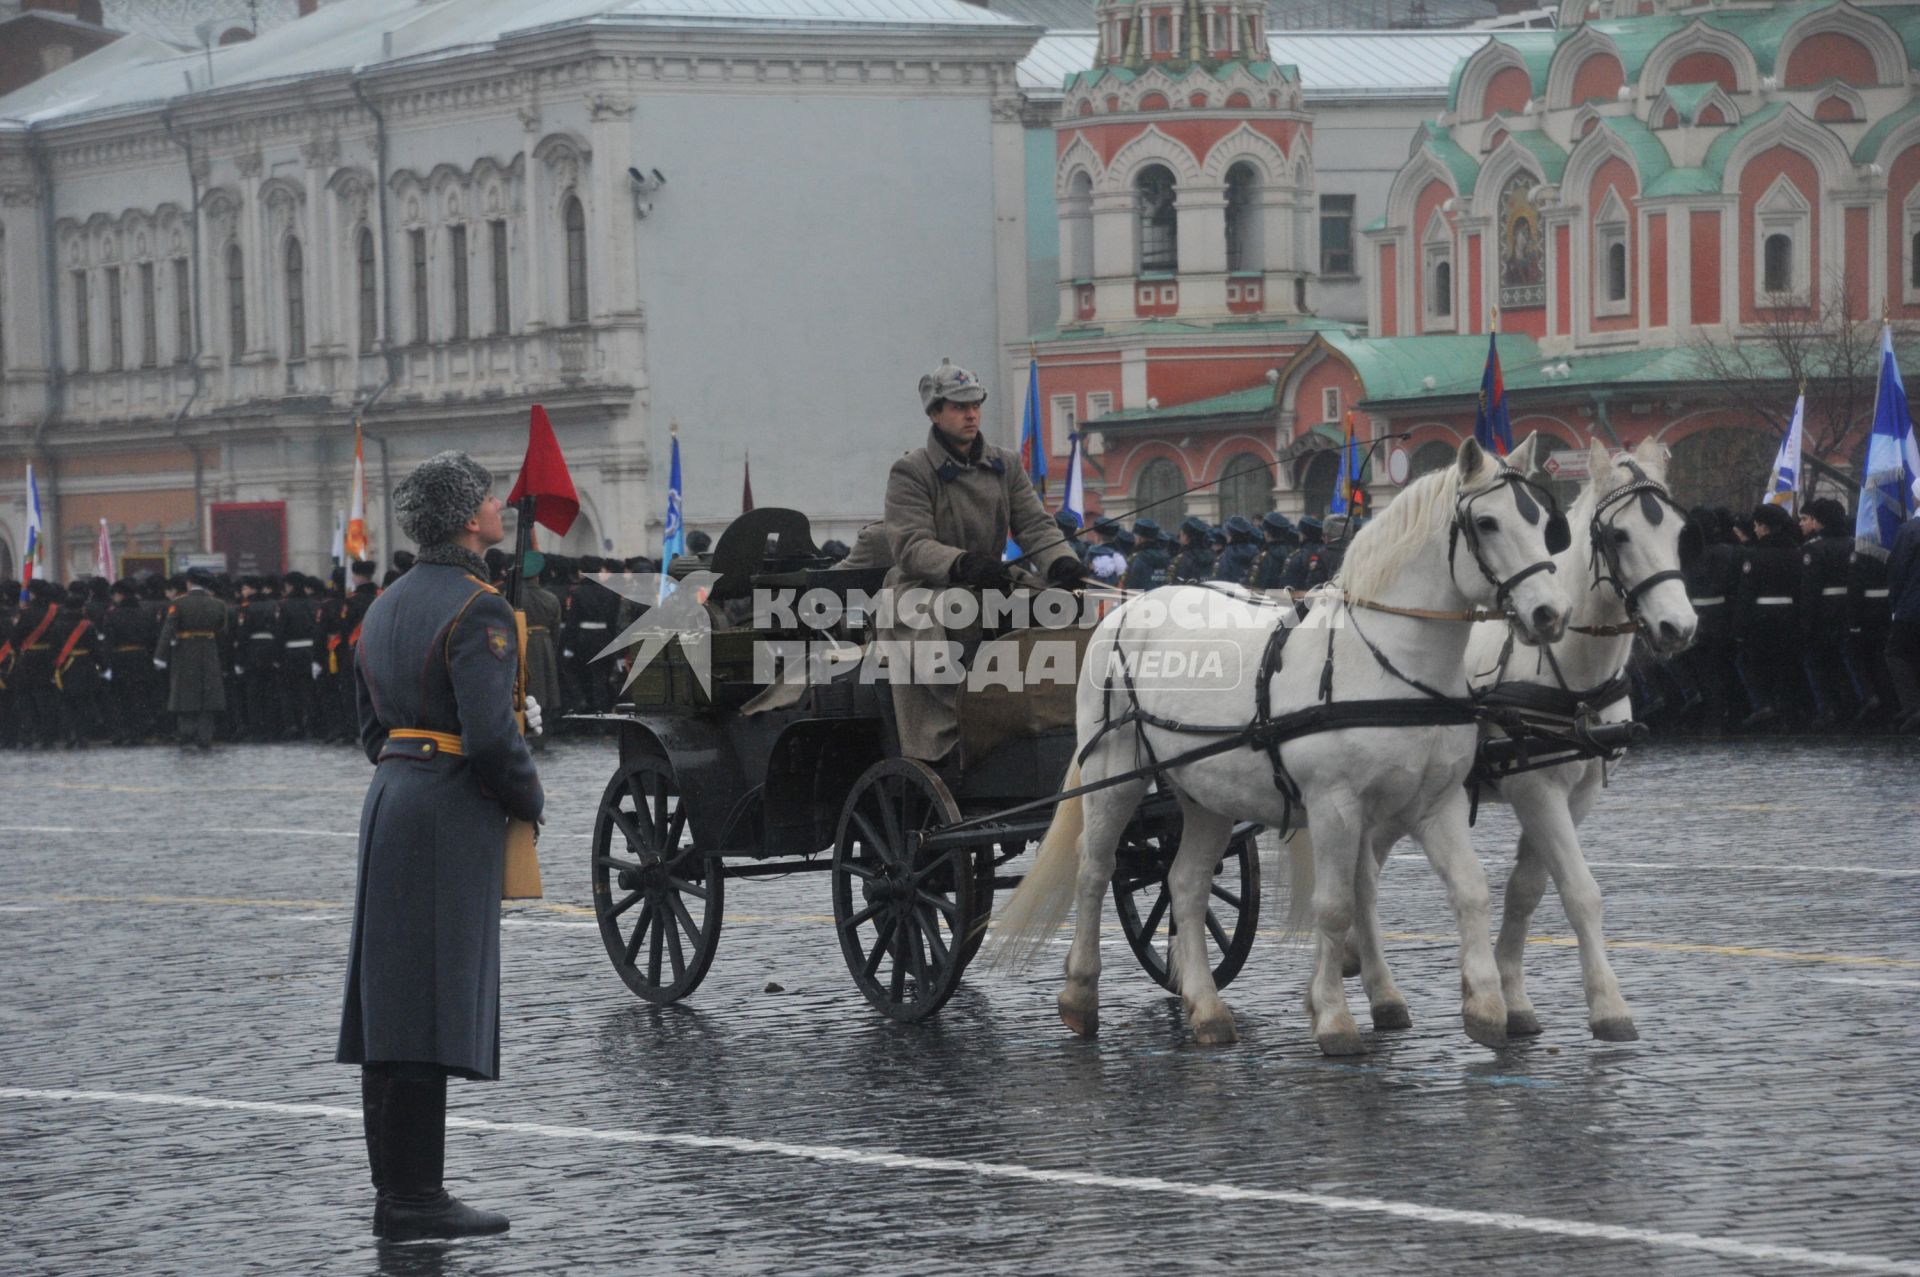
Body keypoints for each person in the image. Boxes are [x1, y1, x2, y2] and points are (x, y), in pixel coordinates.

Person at [337, 451, 543, 1243]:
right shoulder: (479, 607)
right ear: (467, 519)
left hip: (392, 796)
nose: (499, 507)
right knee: (422, 1004)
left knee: (390, 1006)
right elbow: (492, 737)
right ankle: (417, 1198)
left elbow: (368, 729)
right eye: (489, 499)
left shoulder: (383, 605)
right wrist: (529, 796)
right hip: (447, 803)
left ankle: (399, 1192)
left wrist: (409, 772)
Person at [881, 358, 1084, 767]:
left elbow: (1035, 525)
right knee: (960, 611)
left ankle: (1051, 718)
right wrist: (963, 564)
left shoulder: (1004, 463)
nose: (971, 413)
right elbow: (911, 545)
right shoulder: (912, 471)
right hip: (924, 589)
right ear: (935, 413)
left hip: (990, 578)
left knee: (1059, 606)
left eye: (975, 404)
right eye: (958, 406)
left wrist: (1062, 563)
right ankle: (966, 724)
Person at [1731, 502, 1802, 730]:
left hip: (1761, 616)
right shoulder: (1796, 553)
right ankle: (1787, 711)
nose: (1756, 530)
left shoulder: (1756, 555)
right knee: (1785, 664)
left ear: (1764, 527)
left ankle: (1764, 705)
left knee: (1754, 662)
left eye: (1757, 525)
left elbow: (1746, 594)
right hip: (1790, 614)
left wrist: (1740, 627)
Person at [1796, 497, 1855, 730]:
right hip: (1849, 607)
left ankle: (1827, 709)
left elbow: (1809, 589)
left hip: (1824, 611)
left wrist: (1805, 622)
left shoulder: (1813, 548)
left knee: (1818, 662)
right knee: (1845, 660)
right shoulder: (1854, 544)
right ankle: (1852, 705)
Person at [155, 569, 230, 750]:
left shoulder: (179, 604)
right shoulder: (219, 604)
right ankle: (205, 737)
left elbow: (168, 631)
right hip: (210, 652)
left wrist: (160, 656)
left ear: (189, 583)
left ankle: (186, 735)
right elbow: (224, 633)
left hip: (185, 653)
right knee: (208, 699)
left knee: (185, 697)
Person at [1884, 511, 1920, 731]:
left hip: (1913, 606)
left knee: (1895, 653)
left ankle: (1912, 706)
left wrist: (1895, 603)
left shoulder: (1909, 531)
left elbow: (1897, 571)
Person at [1124, 518, 1171, 590]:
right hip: (1161, 598)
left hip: (1141, 599)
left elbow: (1132, 585)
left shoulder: (1138, 558)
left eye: (1135, 536)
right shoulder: (1166, 557)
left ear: (1140, 538)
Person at [1214, 515, 1261, 585]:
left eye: (1227, 532)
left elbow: (1221, 578)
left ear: (1232, 535)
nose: (1226, 535)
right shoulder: (1256, 551)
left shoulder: (1227, 553)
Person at [1171, 515, 1215, 582]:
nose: (1179, 537)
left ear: (1187, 538)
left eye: (1181, 534)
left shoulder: (1181, 560)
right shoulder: (1213, 557)